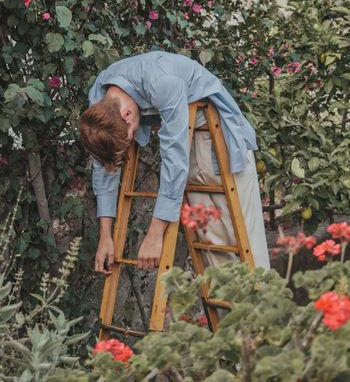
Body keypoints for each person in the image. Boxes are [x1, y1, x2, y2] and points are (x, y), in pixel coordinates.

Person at [79, 51, 270, 274]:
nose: (132, 142)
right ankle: (235, 309)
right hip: (190, 141)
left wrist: (155, 234)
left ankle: (263, 306)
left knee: (246, 242)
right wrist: (105, 235)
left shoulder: (161, 81)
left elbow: (175, 157)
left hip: (220, 139)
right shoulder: (100, 99)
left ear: (127, 114)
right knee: (215, 247)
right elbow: (104, 168)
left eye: (129, 136)